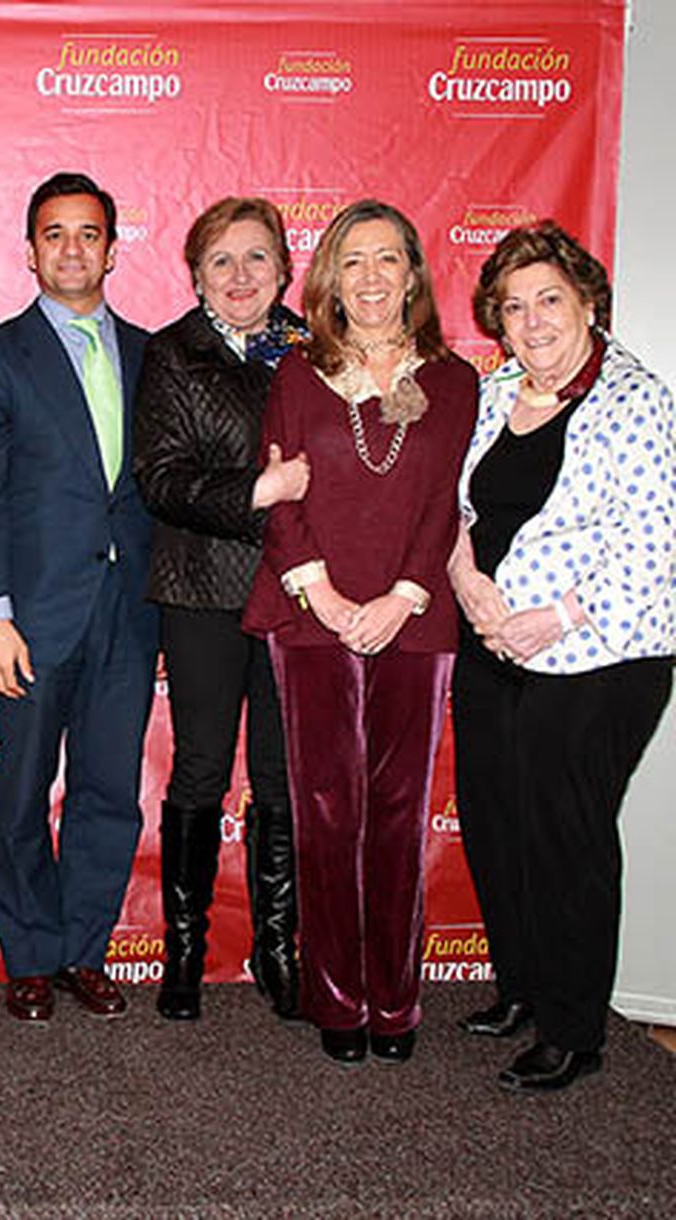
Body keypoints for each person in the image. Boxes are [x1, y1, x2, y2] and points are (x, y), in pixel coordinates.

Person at [243, 199, 476, 1065]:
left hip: (414, 623)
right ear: (329, 280)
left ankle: (395, 1002)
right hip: (311, 620)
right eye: (353, 261)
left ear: (413, 274)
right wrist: (332, 603)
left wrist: (404, 596)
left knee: (397, 816)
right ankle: (337, 1000)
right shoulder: (298, 378)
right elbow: (280, 501)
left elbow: (446, 503)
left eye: (387, 260)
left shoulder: (452, 381)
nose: (371, 277)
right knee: (325, 816)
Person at [450, 222, 675, 1092]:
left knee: (566, 839)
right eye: (514, 305)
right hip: (493, 641)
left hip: (599, 658)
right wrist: (467, 581)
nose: (534, 319)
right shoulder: (494, 389)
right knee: (496, 821)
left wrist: (558, 617)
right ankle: (521, 989)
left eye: (550, 298)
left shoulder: (634, 399)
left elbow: (652, 544)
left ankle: (574, 1026)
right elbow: (463, 512)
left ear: (588, 301)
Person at [0, 172, 158, 1023]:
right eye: (54, 234)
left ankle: (84, 950)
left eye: (88, 234)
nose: (72, 249)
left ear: (112, 248)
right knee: (21, 791)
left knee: (110, 790)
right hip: (33, 615)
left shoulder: (156, 355)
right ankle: (31, 955)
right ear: (30, 250)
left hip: (132, 608)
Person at [135, 197, 310, 1021]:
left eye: (256, 258)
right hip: (203, 588)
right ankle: (184, 951)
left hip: (300, 592)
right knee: (202, 768)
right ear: (196, 273)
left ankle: (277, 950)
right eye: (221, 262)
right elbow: (162, 481)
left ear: (284, 267)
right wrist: (260, 490)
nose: (240, 277)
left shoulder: (321, 348)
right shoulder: (172, 353)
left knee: (282, 775)